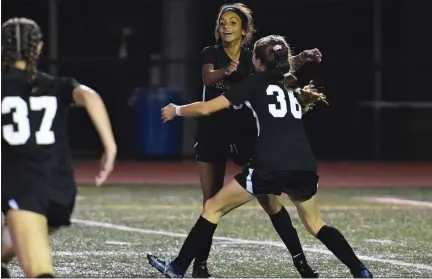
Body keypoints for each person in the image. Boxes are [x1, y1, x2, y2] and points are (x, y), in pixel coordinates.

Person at [147, 34, 373, 278]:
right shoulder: (290, 84)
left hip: (270, 165)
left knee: (213, 207)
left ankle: (178, 268)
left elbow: (205, 107)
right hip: (304, 165)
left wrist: (175, 110)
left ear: (255, 60)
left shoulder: (254, 83)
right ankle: (359, 269)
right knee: (316, 224)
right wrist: (302, 59)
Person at [193, 3, 322, 277]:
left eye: (232, 22)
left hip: (244, 132)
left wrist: (302, 58)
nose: (225, 26)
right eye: (222, 22)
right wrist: (225, 71)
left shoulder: (254, 58)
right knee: (210, 201)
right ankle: (199, 265)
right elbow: (207, 78)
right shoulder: (211, 53)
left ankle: (301, 263)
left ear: (244, 30)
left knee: (270, 201)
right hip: (213, 131)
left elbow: (280, 69)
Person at [1, 18, 117, 278]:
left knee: (40, 272)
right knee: (14, 242)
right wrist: (109, 146)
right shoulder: (54, 85)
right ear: (38, 48)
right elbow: (88, 95)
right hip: (61, 189)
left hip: (24, 187)